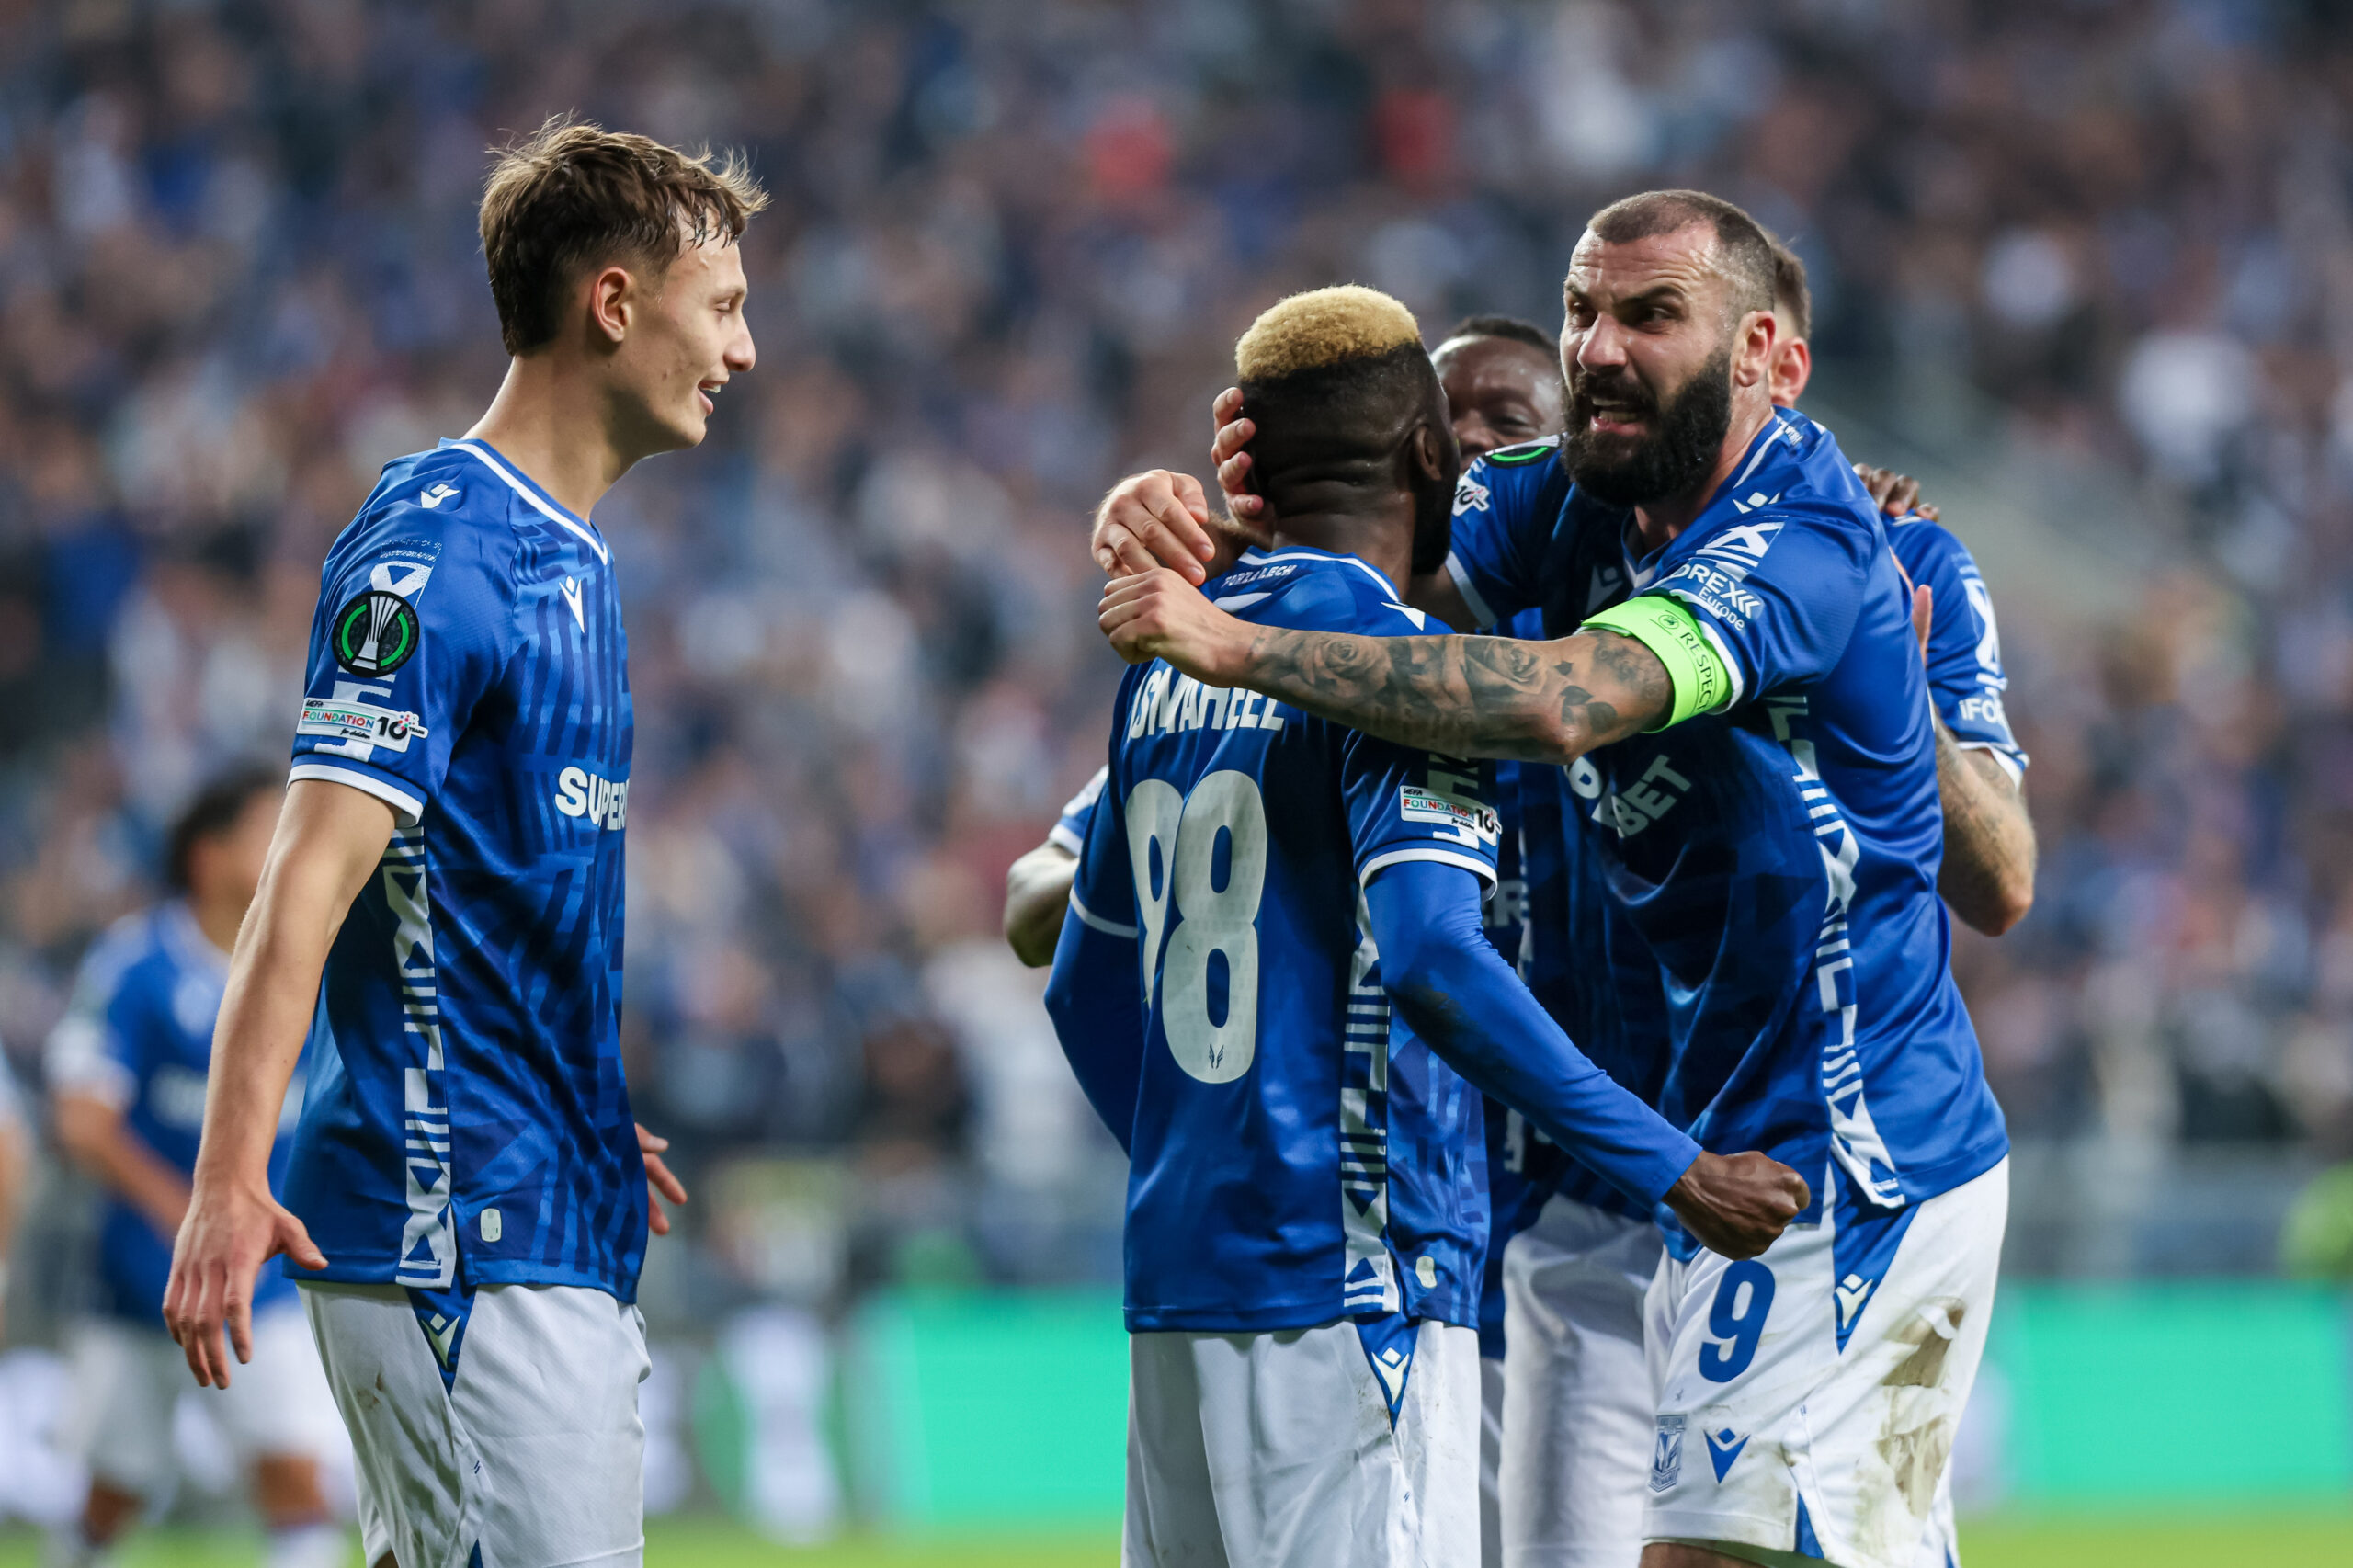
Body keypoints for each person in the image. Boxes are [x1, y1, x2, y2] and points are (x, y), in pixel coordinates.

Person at [1095, 192, 2011, 1568]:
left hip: (1858, 1148)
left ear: (1764, 356)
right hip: (1719, 1139)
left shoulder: (1804, 544)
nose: (1597, 347)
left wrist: (1233, 641)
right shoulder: (1574, 497)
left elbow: (1562, 700)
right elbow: (1375, 562)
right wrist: (1181, 521)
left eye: (1651, 315)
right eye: (1583, 309)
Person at [1046, 284, 1807, 1568]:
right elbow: (1437, 959)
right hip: (1353, 1273)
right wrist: (1679, 1168)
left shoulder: (1170, 662)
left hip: (1180, 1277)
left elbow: (1084, 985)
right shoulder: (1403, 672)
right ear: (1429, 457)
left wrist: (1213, 1164)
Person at [160, 119, 756, 1568]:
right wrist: (229, 1175)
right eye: (725, 306)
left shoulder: (572, 556)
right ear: (612, 303)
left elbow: (472, 900)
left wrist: (570, 1100)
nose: (742, 351)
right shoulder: (441, 552)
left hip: (535, 1199)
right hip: (455, 1225)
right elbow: (304, 884)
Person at [1001, 315, 1571, 969]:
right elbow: (1027, 911)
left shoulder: (1571, 642)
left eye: (1508, 422)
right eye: (1447, 413)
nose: (1470, 437)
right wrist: (1176, 847)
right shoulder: (1275, 648)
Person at [44, 767, 349, 1568]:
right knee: (111, 1496)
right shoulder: (135, 965)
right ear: (209, 857)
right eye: (267, 830)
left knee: (296, 1479)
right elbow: (82, 1119)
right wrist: (184, 1210)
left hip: (266, 1284)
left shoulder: (317, 965)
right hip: (141, 1284)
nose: (288, 845)